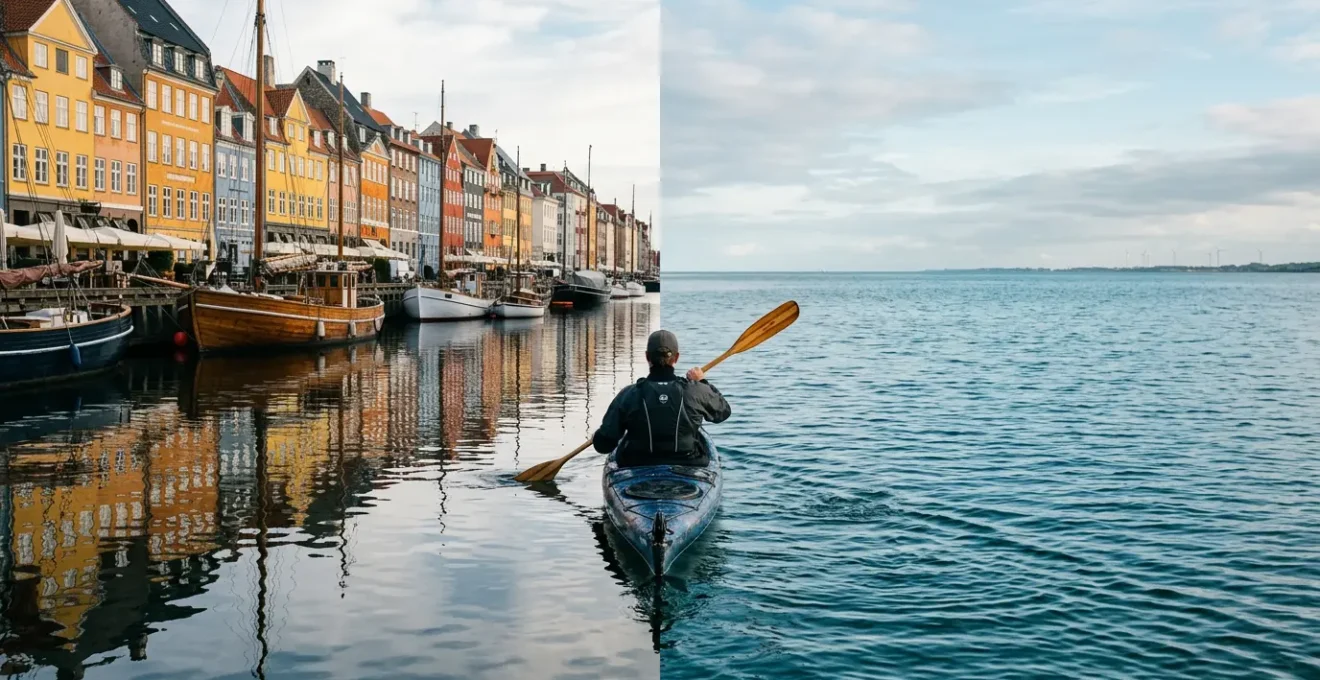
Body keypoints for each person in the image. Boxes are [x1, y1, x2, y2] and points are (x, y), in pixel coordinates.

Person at [592, 329, 731, 467]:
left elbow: (604, 445)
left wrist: (596, 436)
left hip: (637, 465)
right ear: (676, 358)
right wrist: (701, 382)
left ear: (647, 357)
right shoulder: (696, 390)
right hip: (689, 464)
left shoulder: (628, 394)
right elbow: (722, 413)